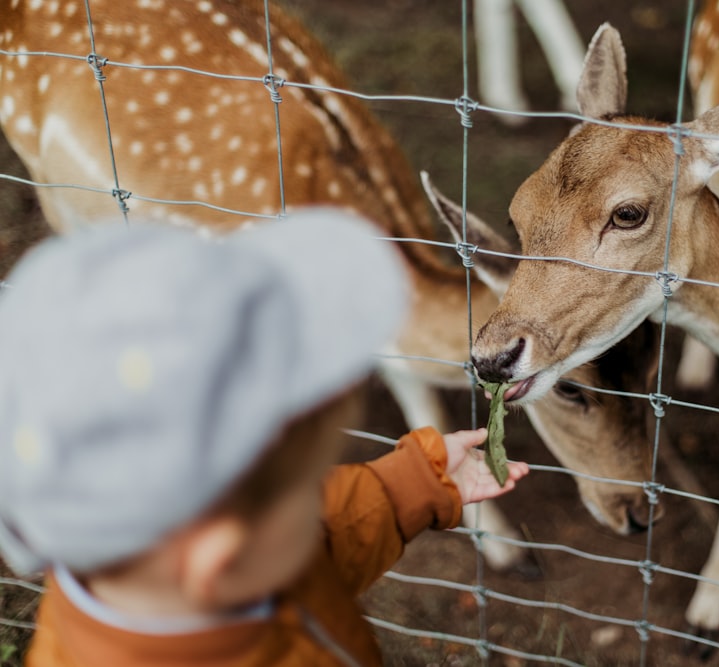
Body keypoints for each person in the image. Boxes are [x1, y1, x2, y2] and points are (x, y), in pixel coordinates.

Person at [0, 208, 529, 666]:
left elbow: (326, 536)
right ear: (222, 561)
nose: (320, 496)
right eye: (308, 489)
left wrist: (406, 486)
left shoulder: (162, 563)